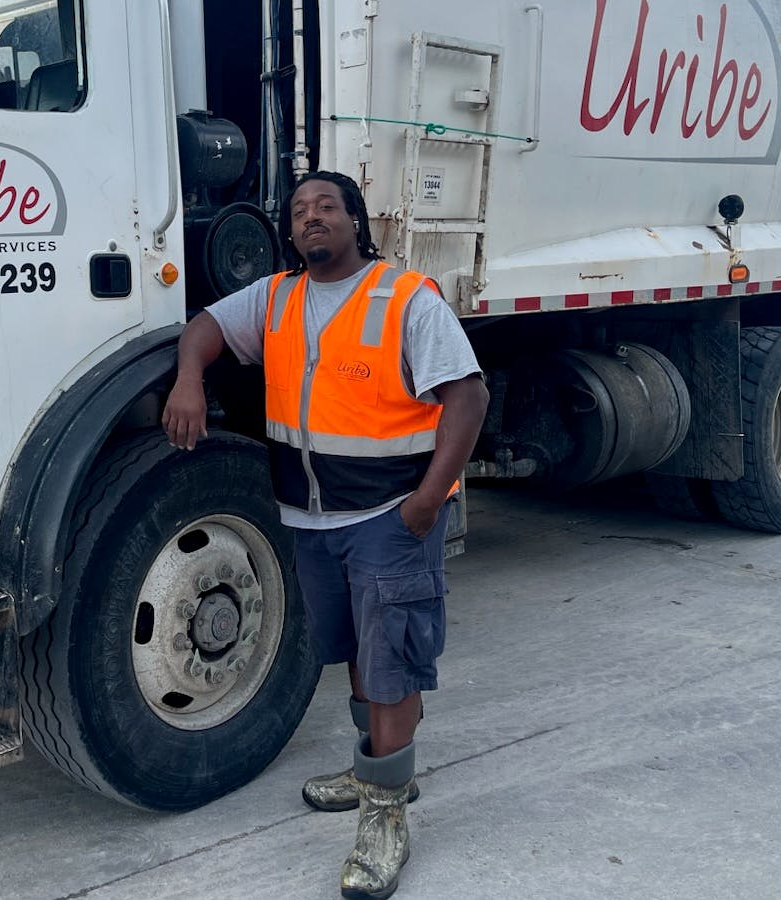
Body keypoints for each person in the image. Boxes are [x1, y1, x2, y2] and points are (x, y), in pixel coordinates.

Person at [163, 171, 489, 900]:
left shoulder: (404, 298)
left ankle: (384, 813)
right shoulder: (277, 297)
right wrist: (190, 378)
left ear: (356, 221)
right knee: (356, 652)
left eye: (327, 208)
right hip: (310, 521)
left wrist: (428, 503)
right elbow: (206, 328)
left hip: (388, 517)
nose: (312, 219)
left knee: (393, 657)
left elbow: (467, 397)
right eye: (299, 211)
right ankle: (375, 759)